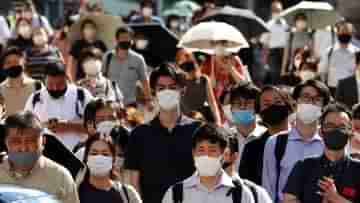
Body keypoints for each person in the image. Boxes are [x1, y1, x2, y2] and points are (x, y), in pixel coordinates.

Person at [124, 63, 201, 203]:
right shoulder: (139, 134)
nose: (167, 92)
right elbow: (133, 182)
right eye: (161, 88)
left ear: (182, 90)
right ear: (154, 92)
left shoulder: (198, 130)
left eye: (172, 88)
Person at [262, 79, 331, 203]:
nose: (311, 102)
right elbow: (268, 190)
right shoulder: (275, 142)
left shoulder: (330, 143)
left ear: (323, 108)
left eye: (317, 99)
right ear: (295, 102)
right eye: (306, 97)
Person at [283, 103, 360, 203]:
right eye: (330, 126)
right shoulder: (304, 166)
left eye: (342, 127)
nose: (336, 131)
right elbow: (289, 200)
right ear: (320, 132)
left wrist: (336, 198)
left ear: (350, 132)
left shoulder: (357, 169)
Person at [162, 123, 255, 203]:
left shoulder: (242, 194)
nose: (206, 155)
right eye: (201, 150)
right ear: (193, 153)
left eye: (212, 150)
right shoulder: (175, 194)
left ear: (224, 154)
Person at [0, 111, 79, 203]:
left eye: (31, 141)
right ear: (6, 142)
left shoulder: (60, 177)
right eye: (16, 141)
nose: (23, 148)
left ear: (43, 141)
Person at [24, 62, 93, 151]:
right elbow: (25, 128)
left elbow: (96, 126)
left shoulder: (82, 95)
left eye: (60, 84)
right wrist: (43, 126)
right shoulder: (35, 98)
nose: (55, 88)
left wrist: (70, 126)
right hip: (46, 155)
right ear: (44, 81)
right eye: (50, 84)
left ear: (67, 79)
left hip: (77, 154)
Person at [239, 86, 293, 185]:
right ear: (259, 113)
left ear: (288, 107)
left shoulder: (304, 141)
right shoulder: (252, 148)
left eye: (278, 102)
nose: (272, 107)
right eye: (266, 104)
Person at [77, 133, 141, 203]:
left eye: (105, 154)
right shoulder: (75, 193)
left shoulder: (128, 194)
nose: (99, 158)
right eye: (94, 153)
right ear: (86, 158)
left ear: (113, 159)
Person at [103, 26, 152, 109]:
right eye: (122, 38)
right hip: (111, 104)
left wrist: (149, 100)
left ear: (132, 41)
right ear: (117, 40)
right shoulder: (108, 57)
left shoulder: (138, 59)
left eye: (128, 38)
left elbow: (144, 80)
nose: (125, 40)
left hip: (130, 104)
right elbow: (102, 77)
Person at [227, 82, 266, 170]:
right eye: (238, 103)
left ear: (256, 107)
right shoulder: (225, 138)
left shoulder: (267, 137)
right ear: (231, 109)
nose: (242, 107)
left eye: (247, 103)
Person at [177, 49, 221, 125]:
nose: (189, 59)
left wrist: (218, 121)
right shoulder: (178, 80)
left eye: (190, 56)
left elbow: (212, 102)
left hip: (201, 120)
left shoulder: (204, 79)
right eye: (186, 57)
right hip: (184, 121)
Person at [223, 137, 273, 203]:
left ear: (234, 156)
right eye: (204, 151)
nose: (208, 156)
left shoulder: (255, 192)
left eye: (213, 150)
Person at [319, 21, 359, 95]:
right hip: (332, 89)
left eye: (347, 31)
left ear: (352, 34)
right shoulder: (329, 51)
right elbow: (322, 71)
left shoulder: (357, 52)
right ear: (337, 33)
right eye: (343, 31)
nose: (345, 33)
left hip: (351, 90)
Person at [0, 47, 42, 115]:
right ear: (3, 66)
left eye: (16, 62)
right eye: (8, 63)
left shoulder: (37, 85)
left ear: (23, 62)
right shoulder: (0, 90)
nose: (12, 65)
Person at [260, 0, 288, 84]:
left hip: (285, 53)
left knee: (284, 77)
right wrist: (265, 60)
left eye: (279, 10)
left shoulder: (286, 25)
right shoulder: (268, 25)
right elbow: (265, 44)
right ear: (272, 11)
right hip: (273, 53)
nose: (277, 12)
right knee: (275, 77)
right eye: (275, 10)